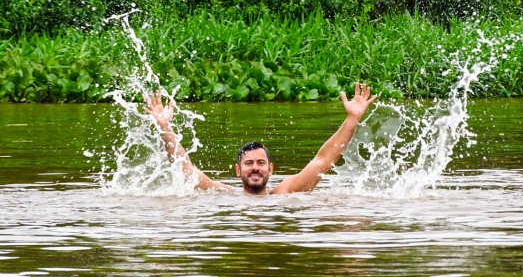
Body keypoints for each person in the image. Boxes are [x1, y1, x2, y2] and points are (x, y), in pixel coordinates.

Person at [144, 82, 377, 195]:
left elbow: (323, 161)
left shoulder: (284, 194)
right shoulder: (225, 196)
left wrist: (352, 120)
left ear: (271, 169)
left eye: (260, 163)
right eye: (249, 163)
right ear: (238, 170)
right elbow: (186, 170)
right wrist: (165, 128)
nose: (255, 168)